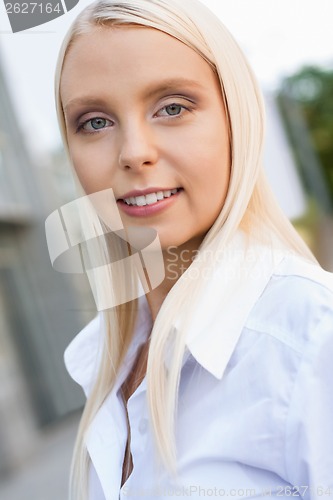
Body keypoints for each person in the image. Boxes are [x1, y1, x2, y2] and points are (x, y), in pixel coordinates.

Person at [53, 0, 333, 498]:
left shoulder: (313, 340)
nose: (133, 152)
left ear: (236, 120)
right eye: (95, 121)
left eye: (173, 107)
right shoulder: (103, 356)